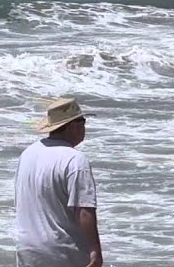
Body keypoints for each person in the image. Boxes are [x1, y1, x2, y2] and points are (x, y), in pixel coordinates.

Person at [14, 97, 102, 267]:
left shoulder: (28, 154)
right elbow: (84, 211)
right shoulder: (75, 160)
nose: (84, 127)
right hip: (62, 251)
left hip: (27, 248)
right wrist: (95, 253)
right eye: (83, 121)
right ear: (73, 125)